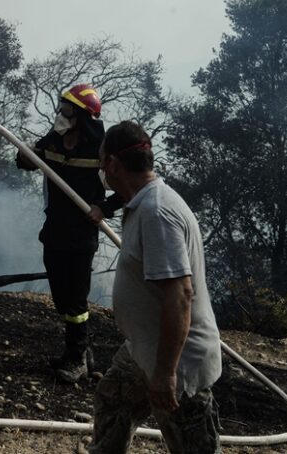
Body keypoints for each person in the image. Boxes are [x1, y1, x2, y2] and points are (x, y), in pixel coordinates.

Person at [88, 121, 222, 453]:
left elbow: (180, 296)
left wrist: (165, 374)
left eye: (102, 161)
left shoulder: (157, 212)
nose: (102, 169)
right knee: (113, 400)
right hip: (143, 350)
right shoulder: (141, 203)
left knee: (194, 446)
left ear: (115, 165)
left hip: (178, 362)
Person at [15, 84, 124, 383]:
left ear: (82, 115)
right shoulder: (55, 140)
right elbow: (26, 160)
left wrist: (103, 207)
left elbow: (126, 189)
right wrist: (24, 157)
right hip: (53, 230)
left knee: (76, 301)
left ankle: (77, 359)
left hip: (81, 236)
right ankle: (79, 350)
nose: (61, 114)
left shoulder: (100, 149)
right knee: (61, 296)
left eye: (66, 109)